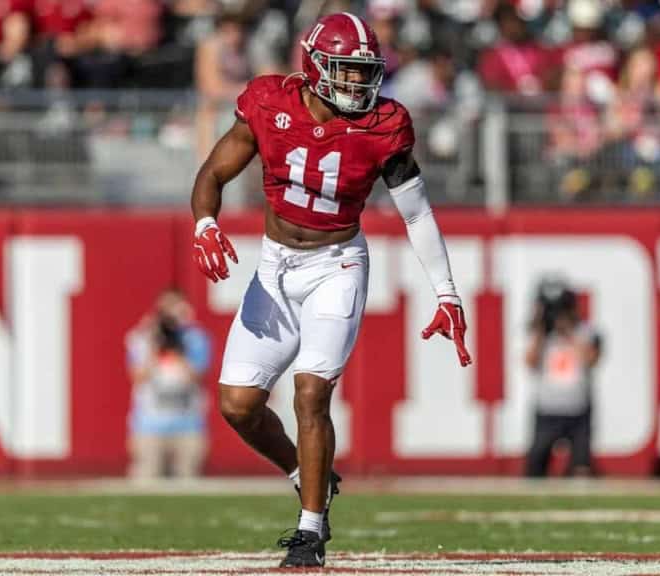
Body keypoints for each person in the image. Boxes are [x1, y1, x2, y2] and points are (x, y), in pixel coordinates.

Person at [190, 12, 472, 568]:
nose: (358, 85)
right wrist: (204, 222)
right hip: (273, 268)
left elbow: (416, 214)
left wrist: (446, 291)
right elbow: (213, 173)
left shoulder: (383, 125)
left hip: (336, 264)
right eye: (345, 73)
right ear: (315, 68)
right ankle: (306, 472)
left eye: (364, 73)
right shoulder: (271, 104)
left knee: (311, 392)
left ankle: (310, 530)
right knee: (238, 405)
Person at [125, 289, 211, 479]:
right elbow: (137, 376)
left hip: (188, 422)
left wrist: (178, 349)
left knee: (187, 479)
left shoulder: (195, 338)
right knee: (147, 478)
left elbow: (197, 376)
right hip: (149, 424)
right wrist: (154, 346)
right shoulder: (141, 338)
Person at [524, 279, 601, 477]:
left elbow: (591, 359)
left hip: (578, 408)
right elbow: (530, 362)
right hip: (547, 408)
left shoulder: (585, 331)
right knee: (535, 466)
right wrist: (541, 328)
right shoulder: (539, 334)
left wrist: (568, 331)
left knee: (581, 468)